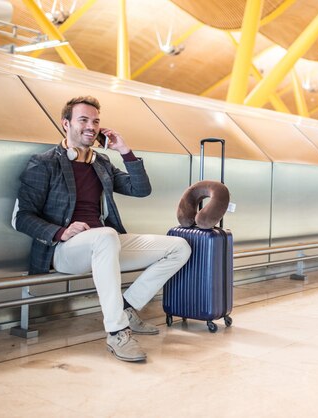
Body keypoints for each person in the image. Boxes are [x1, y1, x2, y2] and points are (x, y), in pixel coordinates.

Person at [15, 96, 191, 362]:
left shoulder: (101, 163)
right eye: (83, 119)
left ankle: (127, 307)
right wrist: (60, 232)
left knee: (179, 246)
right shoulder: (44, 163)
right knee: (107, 237)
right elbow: (21, 217)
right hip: (63, 249)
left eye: (95, 121)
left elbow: (140, 190)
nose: (91, 126)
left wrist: (125, 151)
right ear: (66, 124)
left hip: (104, 244)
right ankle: (117, 331)